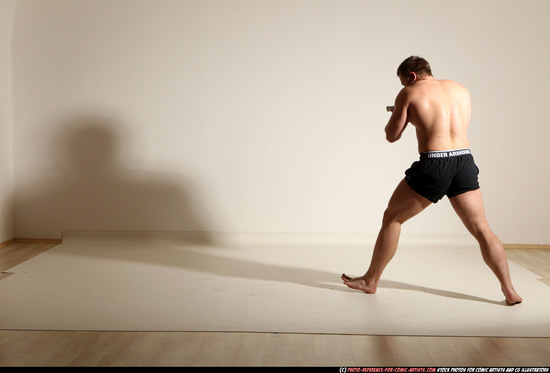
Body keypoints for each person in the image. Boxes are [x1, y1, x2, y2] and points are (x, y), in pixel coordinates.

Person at [341, 56, 523, 305]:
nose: (405, 87)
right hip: (464, 161)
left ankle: (371, 280)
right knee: (482, 228)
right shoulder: (460, 90)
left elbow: (391, 136)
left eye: (404, 82)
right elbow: (447, 123)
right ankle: (510, 291)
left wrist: (400, 111)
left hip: (435, 164)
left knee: (392, 218)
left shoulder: (409, 93)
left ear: (411, 76)